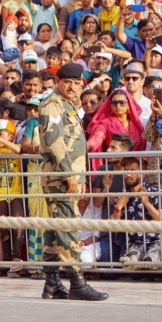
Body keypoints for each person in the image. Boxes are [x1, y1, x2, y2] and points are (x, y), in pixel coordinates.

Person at [37, 63, 108, 302]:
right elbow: (55, 141)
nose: (73, 86)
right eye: (68, 81)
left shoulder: (66, 105)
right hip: (60, 177)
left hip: (67, 177)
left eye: (77, 83)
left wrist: (80, 177)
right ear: (59, 82)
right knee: (68, 228)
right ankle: (77, 282)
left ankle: (52, 284)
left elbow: (75, 146)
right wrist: (69, 174)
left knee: (56, 232)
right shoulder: (52, 104)